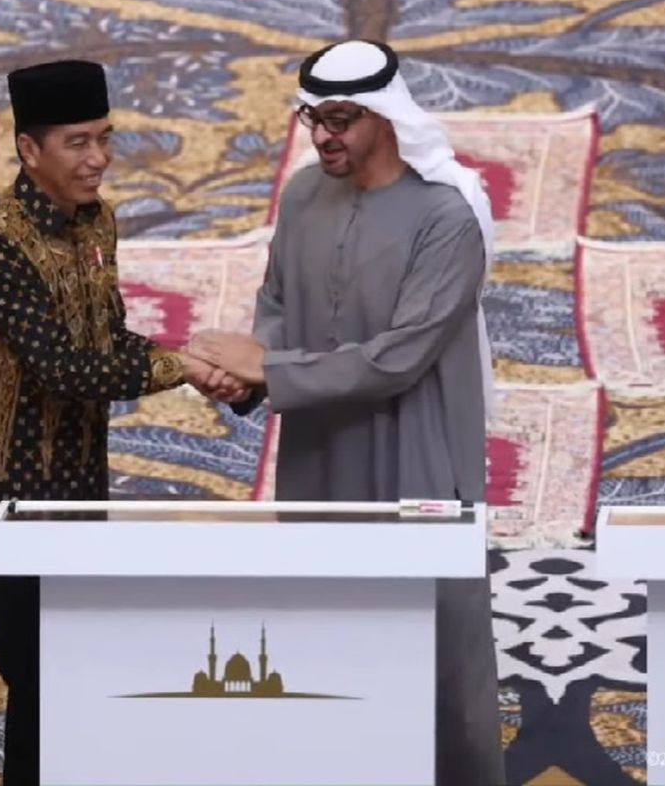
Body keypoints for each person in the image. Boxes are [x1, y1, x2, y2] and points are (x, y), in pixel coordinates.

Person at [187, 39, 504, 784]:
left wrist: (267, 367)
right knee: (327, 634)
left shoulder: (446, 219)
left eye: (341, 120)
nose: (325, 137)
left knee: (435, 648)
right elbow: (277, 306)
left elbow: (399, 358)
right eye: (313, 120)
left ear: (385, 119)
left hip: (416, 454)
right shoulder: (302, 196)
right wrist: (248, 378)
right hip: (320, 454)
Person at [0, 59, 242, 785]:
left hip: (80, 484)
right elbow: (62, 369)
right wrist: (184, 367)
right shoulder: (0, 244)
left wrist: (204, 364)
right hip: (12, 496)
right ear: (30, 150)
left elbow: (109, 342)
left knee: (76, 662)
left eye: (105, 139)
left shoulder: (98, 223)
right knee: (36, 675)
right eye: (78, 143)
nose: (99, 159)